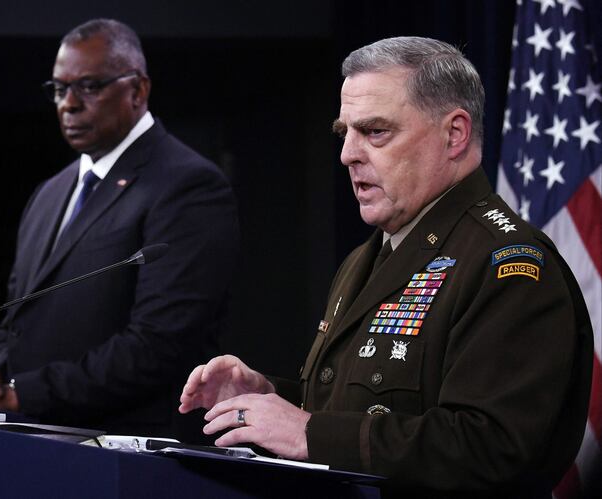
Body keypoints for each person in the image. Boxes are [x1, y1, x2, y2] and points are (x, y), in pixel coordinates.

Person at [179, 37, 593, 496]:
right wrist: (268, 400)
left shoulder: (507, 265)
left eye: (375, 131)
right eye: (345, 133)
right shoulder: (370, 255)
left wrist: (307, 432)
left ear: (454, 134)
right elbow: (358, 408)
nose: (348, 154)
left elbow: (491, 447)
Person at [0, 19, 239, 442]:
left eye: (89, 86)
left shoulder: (188, 185)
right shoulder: (50, 193)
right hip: (30, 438)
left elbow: (159, 344)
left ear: (137, 90)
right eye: (59, 89)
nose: (69, 104)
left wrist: (24, 393)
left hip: (125, 450)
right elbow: (17, 321)